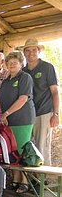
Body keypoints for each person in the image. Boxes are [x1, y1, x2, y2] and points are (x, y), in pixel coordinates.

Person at [0, 51, 35, 194]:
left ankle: (24, 182)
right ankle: (15, 179)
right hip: (8, 121)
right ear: (6, 65)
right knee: (11, 150)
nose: (12, 65)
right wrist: (3, 115)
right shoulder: (5, 81)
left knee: (21, 150)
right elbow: (1, 100)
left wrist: (6, 113)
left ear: (21, 63)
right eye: (10, 63)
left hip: (22, 119)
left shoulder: (25, 77)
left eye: (15, 62)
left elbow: (22, 99)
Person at [22, 38, 60, 166]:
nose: (31, 53)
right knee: (27, 148)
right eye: (28, 50)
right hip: (26, 115)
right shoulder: (22, 71)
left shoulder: (47, 67)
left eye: (34, 50)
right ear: (24, 53)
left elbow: (55, 92)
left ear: (39, 51)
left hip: (44, 112)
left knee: (42, 147)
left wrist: (56, 114)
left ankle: (45, 182)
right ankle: (30, 181)